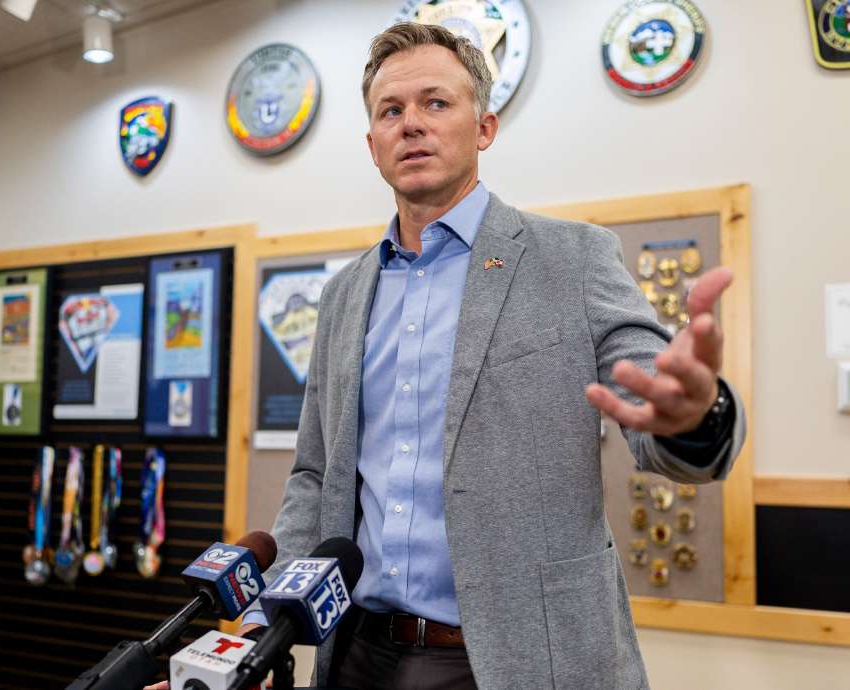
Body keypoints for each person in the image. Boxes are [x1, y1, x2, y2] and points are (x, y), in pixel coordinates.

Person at [148, 20, 745, 690]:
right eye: (390, 111)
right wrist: (259, 633)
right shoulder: (344, 296)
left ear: (483, 127)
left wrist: (695, 414)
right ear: (372, 145)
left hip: (522, 663)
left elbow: (651, 399)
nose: (412, 124)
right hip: (358, 657)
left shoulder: (572, 258)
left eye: (436, 103)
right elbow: (316, 479)